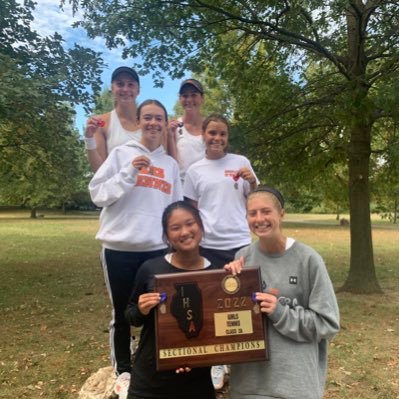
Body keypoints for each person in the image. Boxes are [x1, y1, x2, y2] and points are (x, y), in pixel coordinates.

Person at [89, 99, 182, 380]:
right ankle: (123, 371)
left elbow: (175, 208)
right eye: (148, 118)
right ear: (139, 122)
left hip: (156, 251)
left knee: (157, 311)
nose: (153, 123)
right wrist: (129, 172)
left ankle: (153, 363)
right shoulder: (120, 154)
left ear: (166, 125)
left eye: (158, 118)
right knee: (122, 313)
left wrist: (176, 245)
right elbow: (97, 195)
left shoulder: (170, 165)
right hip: (119, 248)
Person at [225, 186, 340, 399]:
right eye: (252, 213)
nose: (259, 219)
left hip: (294, 386)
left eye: (266, 211)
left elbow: (328, 324)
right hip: (249, 386)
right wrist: (226, 287)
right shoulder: (242, 258)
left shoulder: (308, 259)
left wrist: (280, 312)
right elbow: (231, 321)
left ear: (281, 213)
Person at [183, 113, 258, 389]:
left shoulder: (240, 163)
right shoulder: (195, 170)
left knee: (242, 304)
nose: (217, 138)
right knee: (213, 306)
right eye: (212, 133)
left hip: (240, 243)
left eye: (222, 134)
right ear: (203, 135)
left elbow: (256, 197)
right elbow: (190, 209)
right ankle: (217, 362)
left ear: (228, 137)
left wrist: (252, 182)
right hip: (210, 246)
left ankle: (240, 361)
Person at [125, 201, 217, 399]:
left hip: (197, 381)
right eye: (175, 228)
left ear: (201, 225)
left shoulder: (217, 272)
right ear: (167, 236)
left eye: (190, 223)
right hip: (151, 381)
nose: (184, 232)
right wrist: (141, 309)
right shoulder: (151, 269)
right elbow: (131, 315)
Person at [84, 66, 142, 172]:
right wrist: (89, 139)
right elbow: (99, 170)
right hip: (117, 188)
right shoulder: (102, 123)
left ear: (138, 90)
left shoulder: (151, 122)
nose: (125, 89)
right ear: (112, 88)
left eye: (131, 84)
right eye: (120, 84)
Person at [167, 78, 206, 182]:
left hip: (206, 187)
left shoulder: (210, 126)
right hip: (182, 189)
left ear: (202, 98)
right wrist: (169, 135)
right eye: (185, 95)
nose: (189, 100)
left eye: (193, 95)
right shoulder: (173, 128)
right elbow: (170, 163)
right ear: (180, 99)